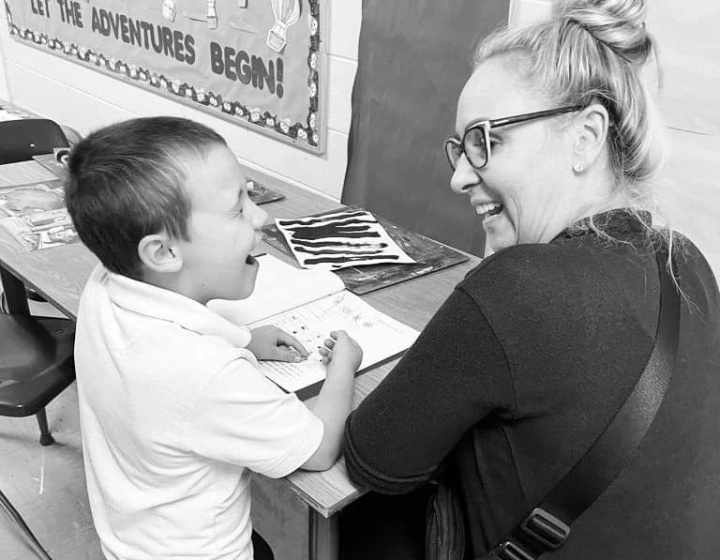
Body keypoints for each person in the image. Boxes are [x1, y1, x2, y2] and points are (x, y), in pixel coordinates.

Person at [342, 1, 720, 559]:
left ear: (586, 137)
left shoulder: (518, 287)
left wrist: (346, 364)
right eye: (460, 146)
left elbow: (373, 455)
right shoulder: (686, 260)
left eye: (485, 139)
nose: (459, 176)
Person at [64, 116, 362, 560]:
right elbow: (317, 450)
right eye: (238, 208)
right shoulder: (204, 372)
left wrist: (243, 339)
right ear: (163, 252)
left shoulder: (105, 282)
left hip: (135, 540)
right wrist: (344, 367)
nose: (261, 217)